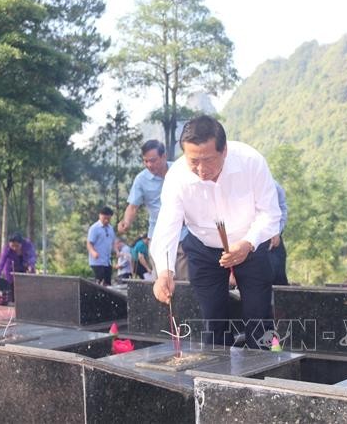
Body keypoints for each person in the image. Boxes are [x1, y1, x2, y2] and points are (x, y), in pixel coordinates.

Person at [150, 115, 281, 349]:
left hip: (249, 245)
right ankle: (218, 379)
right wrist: (164, 271)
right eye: (193, 161)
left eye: (208, 160)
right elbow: (167, 227)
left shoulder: (251, 162)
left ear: (225, 151)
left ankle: (267, 373)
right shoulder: (177, 177)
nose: (201, 170)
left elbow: (270, 214)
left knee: (258, 317)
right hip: (204, 249)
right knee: (213, 318)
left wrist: (248, 243)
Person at [118, 140, 189, 280]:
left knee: (183, 278)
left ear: (164, 156)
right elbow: (133, 206)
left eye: (153, 160)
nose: (149, 165)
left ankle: (184, 301)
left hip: (182, 232)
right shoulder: (141, 179)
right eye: (145, 161)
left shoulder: (180, 171)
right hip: (158, 234)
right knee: (161, 279)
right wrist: (126, 222)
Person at [0, 232, 37, 301]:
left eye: (17, 246)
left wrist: (30, 265)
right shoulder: (7, 248)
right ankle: (13, 303)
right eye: (12, 245)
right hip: (11, 268)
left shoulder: (28, 244)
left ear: (21, 243)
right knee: (13, 289)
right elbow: (1, 262)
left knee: (25, 289)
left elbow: (32, 256)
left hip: (25, 267)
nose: (14, 248)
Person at [87, 206, 115, 286]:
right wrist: (93, 252)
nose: (106, 221)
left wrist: (117, 251)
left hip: (107, 261)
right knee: (99, 282)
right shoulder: (94, 228)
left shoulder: (110, 228)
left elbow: (113, 241)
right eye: (104, 218)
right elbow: (89, 243)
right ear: (100, 216)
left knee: (108, 283)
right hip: (97, 262)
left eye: (108, 219)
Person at [268, 180, 288, 285]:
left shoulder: (274, 186)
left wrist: (277, 231)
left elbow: (282, 209)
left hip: (273, 237)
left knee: (278, 277)